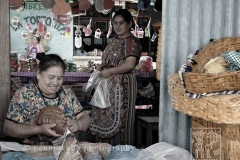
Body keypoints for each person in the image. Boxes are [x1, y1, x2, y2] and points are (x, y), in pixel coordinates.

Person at [3, 53, 91, 145]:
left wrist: (78, 124)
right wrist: (39, 129)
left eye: (60, 78)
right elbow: (8, 129)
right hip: (32, 152)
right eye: (51, 77)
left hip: (65, 151)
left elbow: (85, 117)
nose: (55, 83)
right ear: (38, 74)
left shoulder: (67, 93)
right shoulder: (24, 95)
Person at [89, 9, 142, 145]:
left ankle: (120, 152)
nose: (117, 26)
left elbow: (129, 64)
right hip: (107, 84)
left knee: (120, 119)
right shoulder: (114, 40)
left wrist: (110, 71)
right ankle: (102, 151)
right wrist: (101, 67)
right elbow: (108, 60)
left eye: (121, 23)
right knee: (102, 115)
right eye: (115, 23)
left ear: (129, 24)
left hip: (122, 86)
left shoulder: (131, 41)